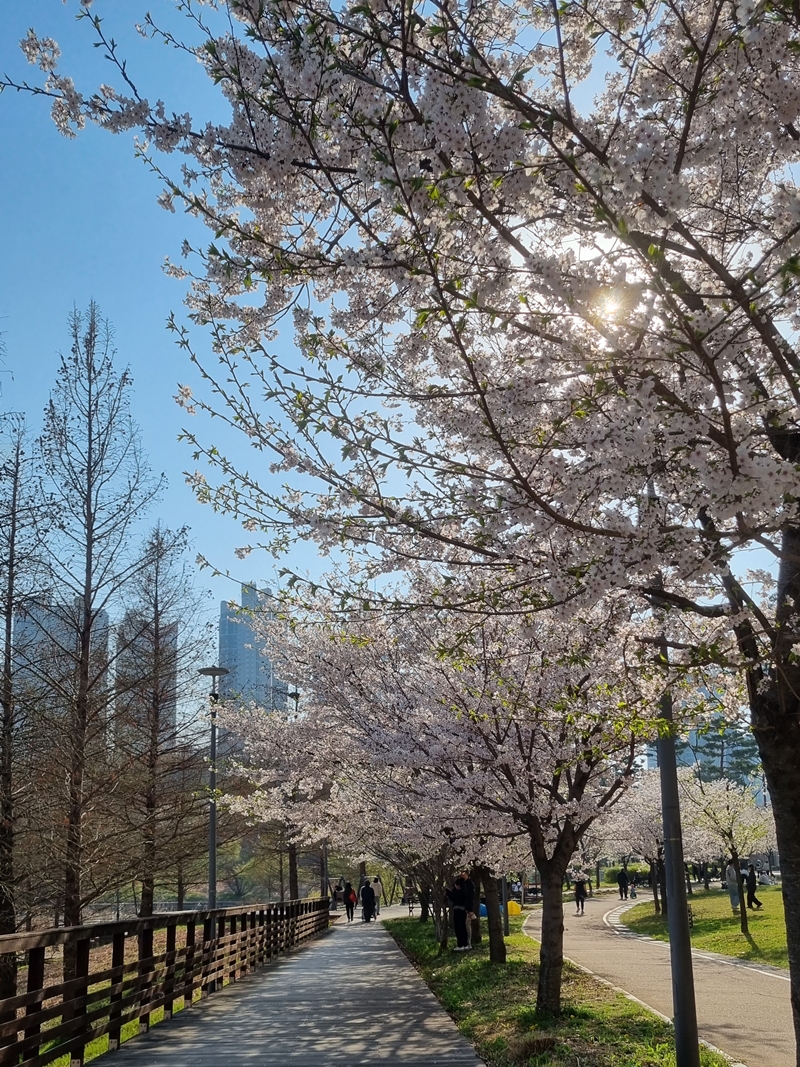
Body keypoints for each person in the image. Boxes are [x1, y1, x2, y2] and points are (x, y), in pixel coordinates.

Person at [445, 877, 471, 950]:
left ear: (458, 885)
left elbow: (453, 898)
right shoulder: (465, 892)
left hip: (458, 911)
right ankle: (465, 944)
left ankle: (460, 945)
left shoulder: (459, 893)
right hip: (463, 911)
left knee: (458, 928)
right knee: (463, 928)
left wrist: (447, 891)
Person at [460, 870, 477, 946]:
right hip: (463, 907)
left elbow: (471, 898)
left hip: (468, 909)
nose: (461, 875)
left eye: (463, 874)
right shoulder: (462, 883)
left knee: (467, 927)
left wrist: (470, 909)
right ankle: (465, 943)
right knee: (463, 926)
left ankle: (468, 943)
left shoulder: (470, 885)